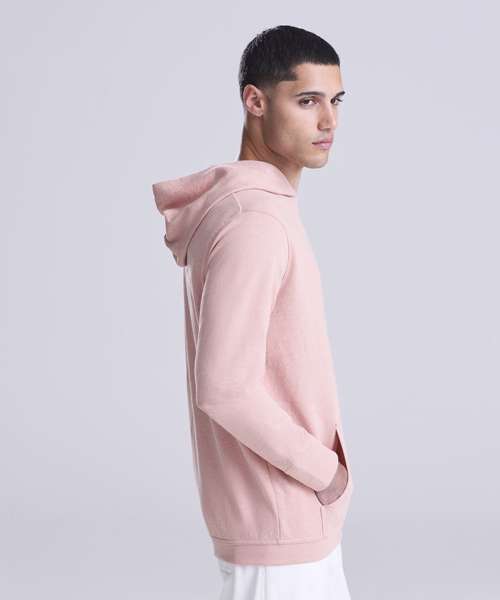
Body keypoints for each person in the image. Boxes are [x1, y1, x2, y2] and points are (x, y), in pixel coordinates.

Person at [152, 24, 354, 600]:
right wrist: (326, 474)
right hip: (280, 527)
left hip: (282, 522)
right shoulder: (255, 222)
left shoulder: (257, 209)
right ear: (255, 101)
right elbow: (224, 388)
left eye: (336, 100)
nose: (329, 121)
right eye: (307, 100)